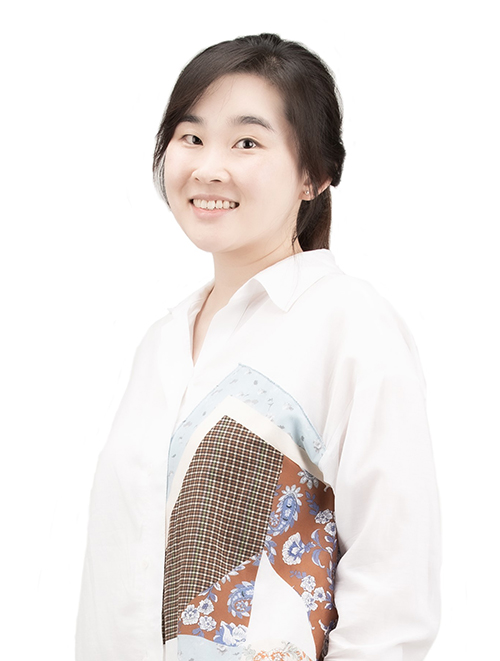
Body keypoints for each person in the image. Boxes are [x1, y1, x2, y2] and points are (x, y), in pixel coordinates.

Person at [76, 33, 441, 661]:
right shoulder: (161, 344)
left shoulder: (349, 324)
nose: (208, 167)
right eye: (191, 137)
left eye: (246, 142)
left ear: (314, 175)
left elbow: (394, 590)